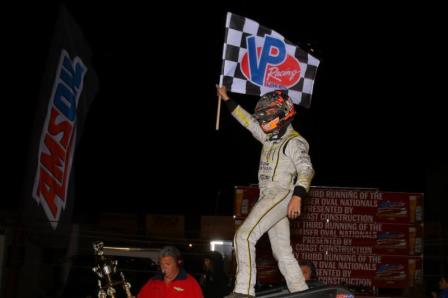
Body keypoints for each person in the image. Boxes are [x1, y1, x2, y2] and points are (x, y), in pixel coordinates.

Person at [216, 86, 314, 298]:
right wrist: (226, 99)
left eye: (267, 117)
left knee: (244, 236)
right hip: (271, 197)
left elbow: (306, 169)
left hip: (279, 194)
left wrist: (297, 196)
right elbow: (248, 122)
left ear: (282, 115)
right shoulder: (270, 137)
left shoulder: (294, 142)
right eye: (262, 117)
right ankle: (301, 291)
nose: (262, 121)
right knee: (282, 252)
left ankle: (244, 291)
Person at [137, 246, 203, 298]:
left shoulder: (190, 283)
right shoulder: (153, 282)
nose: (163, 267)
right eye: (161, 264)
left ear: (178, 263)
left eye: (167, 264)